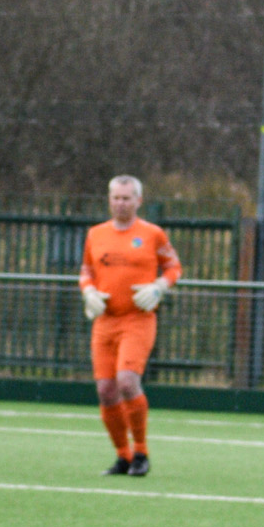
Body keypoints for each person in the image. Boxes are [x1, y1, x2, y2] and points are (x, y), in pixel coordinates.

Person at [79, 176, 181, 477]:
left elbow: (174, 267)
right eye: (116, 197)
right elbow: (86, 270)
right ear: (109, 199)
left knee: (127, 382)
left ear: (138, 200)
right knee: (106, 390)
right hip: (105, 322)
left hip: (137, 319)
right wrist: (88, 291)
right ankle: (122, 456)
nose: (120, 203)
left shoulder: (152, 234)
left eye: (126, 198)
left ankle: (142, 452)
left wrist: (161, 286)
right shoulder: (96, 234)